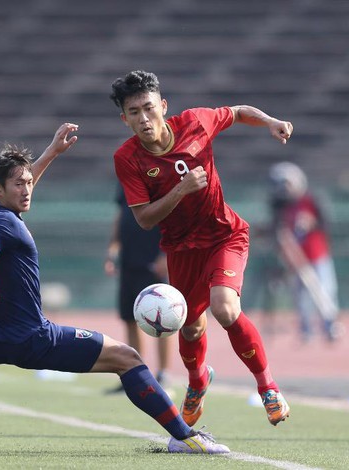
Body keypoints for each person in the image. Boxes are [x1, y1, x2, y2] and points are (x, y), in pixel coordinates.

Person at [0, 124, 230, 454]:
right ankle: (185, 437)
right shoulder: (4, 222)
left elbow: (18, 185)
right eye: (19, 185)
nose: (27, 189)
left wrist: (50, 152)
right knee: (128, 359)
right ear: (0, 189)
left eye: (29, 183)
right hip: (35, 338)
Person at [110, 70, 292, 428]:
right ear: (125, 119)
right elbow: (145, 219)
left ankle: (268, 387)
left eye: (149, 108)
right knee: (190, 328)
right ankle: (197, 382)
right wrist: (180, 189)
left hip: (224, 234)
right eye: (134, 112)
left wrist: (270, 121)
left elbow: (238, 111)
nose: (144, 119)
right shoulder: (127, 158)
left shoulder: (196, 121)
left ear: (163, 106)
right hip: (180, 247)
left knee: (225, 309)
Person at [104, 184, 172, 393]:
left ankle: (163, 375)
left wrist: (166, 254)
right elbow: (121, 213)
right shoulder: (125, 175)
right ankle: (138, 374)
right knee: (130, 318)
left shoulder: (160, 176)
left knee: (164, 319)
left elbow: (170, 216)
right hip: (129, 260)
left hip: (153, 260)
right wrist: (113, 248)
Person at [267, 162, 340, 344]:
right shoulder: (280, 207)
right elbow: (278, 231)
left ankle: (329, 325)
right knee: (299, 295)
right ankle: (305, 329)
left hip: (317, 255)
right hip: (294, 258)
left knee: (324, 290)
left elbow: (325, 223)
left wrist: (311, 223)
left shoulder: (311, 200)